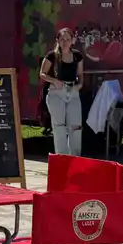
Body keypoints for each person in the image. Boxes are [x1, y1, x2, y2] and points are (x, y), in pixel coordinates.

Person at [40, 26, 85, 156]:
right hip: (56, 92)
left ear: (72, 41)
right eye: (62, 39)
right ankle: (62, 157)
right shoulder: (52, 56)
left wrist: (80, 85)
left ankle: (75, 157)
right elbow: (42, 73)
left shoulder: (77, 55)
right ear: (58, 40)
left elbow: (81, 74)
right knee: (59, 126)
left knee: (76, 126)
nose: (65, 42)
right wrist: (54, 81)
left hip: (72, 90)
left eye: (68, 39)